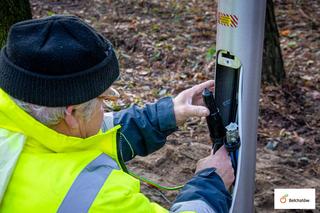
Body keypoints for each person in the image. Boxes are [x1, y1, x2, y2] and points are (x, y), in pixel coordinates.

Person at [0, 15, 234, 213]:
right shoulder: (98, 197)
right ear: (71, 114)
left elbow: (77, 136)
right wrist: (210, 184)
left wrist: (163, 115)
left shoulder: (17, 121)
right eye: (104, 99)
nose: (105, 109)